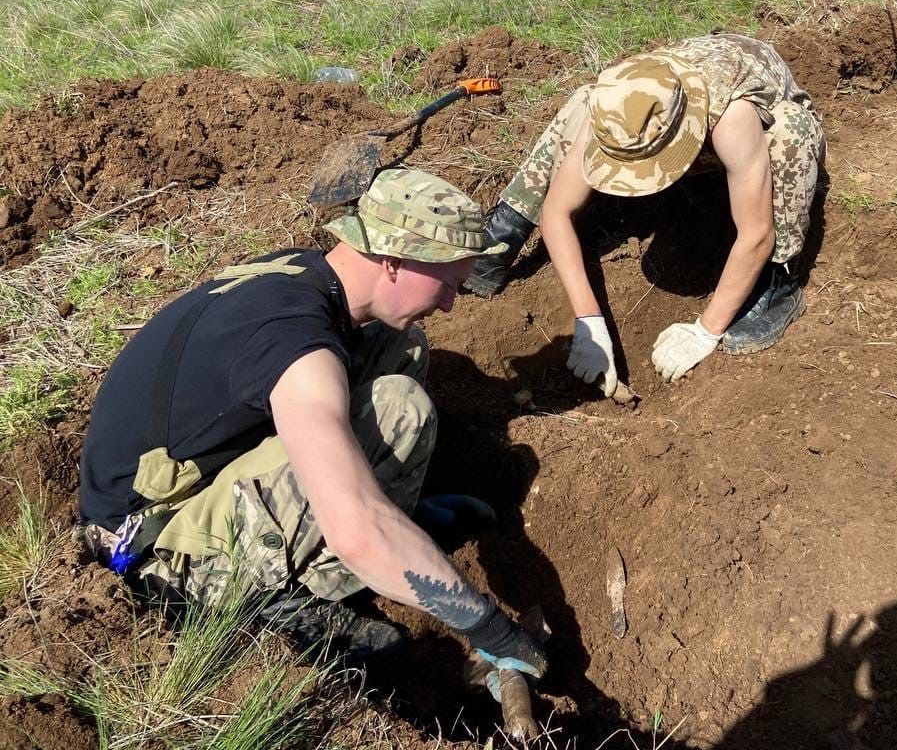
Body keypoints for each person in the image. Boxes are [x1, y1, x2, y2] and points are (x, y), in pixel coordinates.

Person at [77, 168, 547, 679]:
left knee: (399, 345)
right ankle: (265, 601)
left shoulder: (305, 273)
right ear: (393, 259)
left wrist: (398, 509)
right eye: (448, 283)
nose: (451, 303)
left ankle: (388, 531)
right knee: (397, 409)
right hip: (150, 545)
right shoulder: (296, 347)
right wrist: (488, 628)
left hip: (184, 472)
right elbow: (358, 530)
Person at [465, 33, 825, 391]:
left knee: (792, 130)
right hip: (682, 111)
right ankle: (505, 231)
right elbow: (557, 212)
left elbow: (756, 234)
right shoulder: (615, 104)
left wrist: (705, 330)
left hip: (743, 115)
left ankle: (781, 281)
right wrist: (589, 321)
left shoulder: (733, 116)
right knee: (581, 99)